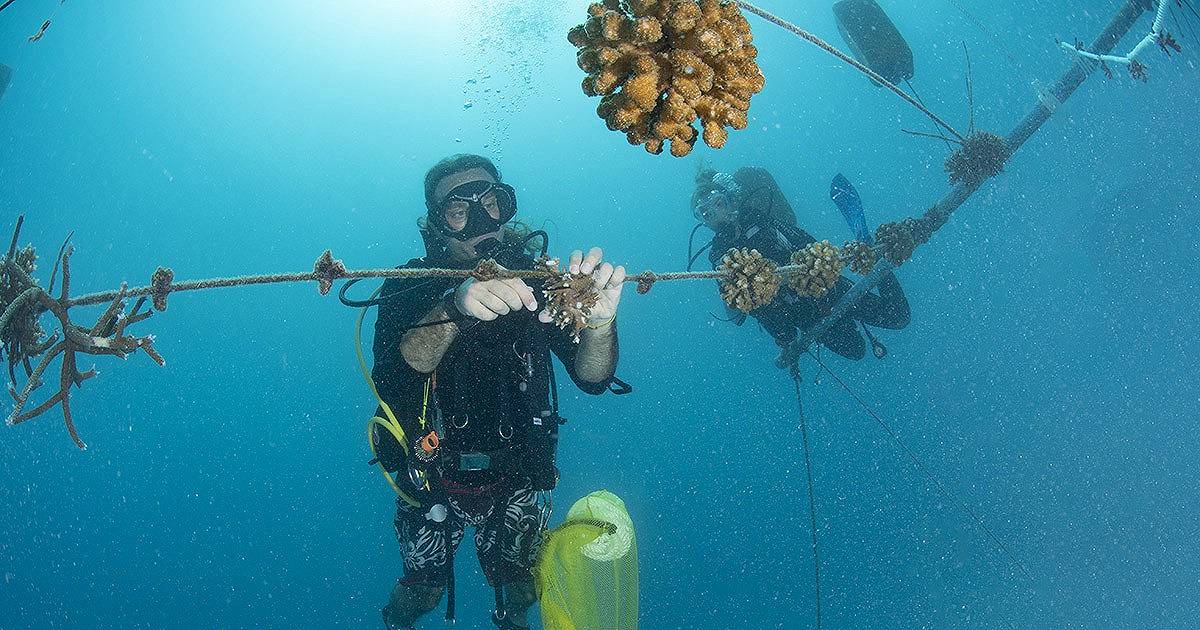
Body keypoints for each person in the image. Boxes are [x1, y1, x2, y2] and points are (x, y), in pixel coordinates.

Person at [369, 154, 625, 630]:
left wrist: (599, 325)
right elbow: (398, 374)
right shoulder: (408, 285)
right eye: (459, 210)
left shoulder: (541, 279)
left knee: (520, 589)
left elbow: (593, 377)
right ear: (435, 225)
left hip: (518, 472)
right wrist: (455, 305)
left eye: (491, 202)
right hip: (429, 477)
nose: (481, 221)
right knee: (422, 592)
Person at [689, 166, 910, 362]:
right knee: (856, 351)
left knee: (898, 317)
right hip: (802, 317)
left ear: (731, 200)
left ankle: (872, 255)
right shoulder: (719, 256)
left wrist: (808, 267)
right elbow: (736, 312)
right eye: (707, 214)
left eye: (719, 203)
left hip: (827, 290)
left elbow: (809, 244)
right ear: (703, 222)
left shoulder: (759, 220)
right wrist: (775, 324)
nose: (717, 215)